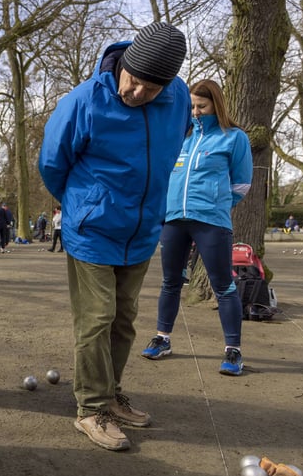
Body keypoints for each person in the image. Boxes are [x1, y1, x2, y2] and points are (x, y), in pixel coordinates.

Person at [38, 22, 190, 451]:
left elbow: (172, 149)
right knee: (97, 317)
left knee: (124, 319)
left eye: (151, 89)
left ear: (167, 85)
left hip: (142, 230)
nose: (137, 93)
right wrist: (85, 204)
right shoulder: (84, 100)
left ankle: (111, 394)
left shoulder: (179, 98)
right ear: (124, 65)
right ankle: (90, 409)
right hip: (92, 229)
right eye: (133, 81)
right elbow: (52, 163)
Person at [140, 79, 253, 377]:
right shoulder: (182, 138)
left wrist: (216, 203)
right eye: (191, 107)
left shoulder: (234, 137)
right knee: (170, 282)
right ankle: (162, 339)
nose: (195, 112)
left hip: (211, 221)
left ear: (216, 105)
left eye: (201, 106)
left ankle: (233, 350)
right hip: (174, 220)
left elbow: (242, 184)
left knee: (223, 286)